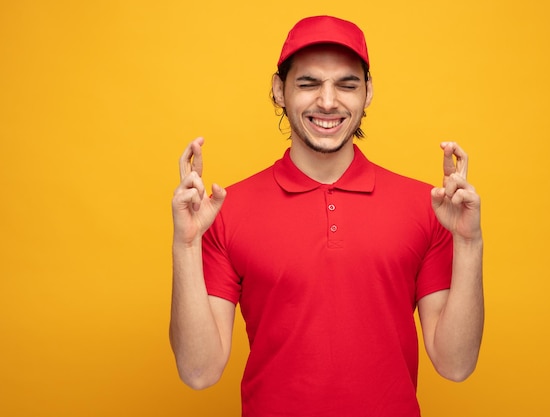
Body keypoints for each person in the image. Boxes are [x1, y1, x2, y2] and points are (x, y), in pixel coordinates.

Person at [170, 15, 484, 417]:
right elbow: (199, 371)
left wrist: (469, 242)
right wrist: (186, 243)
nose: (328, 101)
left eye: (347, 84)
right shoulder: (225, 210)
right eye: (308, 83)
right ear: (278, 91)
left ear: (368, 93)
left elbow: (455, 364)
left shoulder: (428, 205)